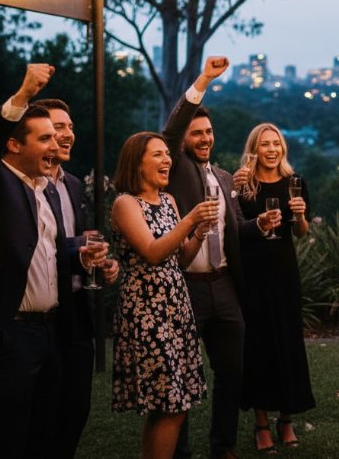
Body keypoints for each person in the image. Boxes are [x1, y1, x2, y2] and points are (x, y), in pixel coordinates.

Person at [0, 63, 106, 459]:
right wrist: (22, 96)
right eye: (44, 139)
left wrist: (82, 255)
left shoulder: (43, 188)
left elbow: (47, 254)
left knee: (44, 432)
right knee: (8, 438)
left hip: (49, 331)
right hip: (7, 333)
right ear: (14, 144)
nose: (54, 146)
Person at [163, 57, 277, 459]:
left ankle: (223, 445)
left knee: (232, 372)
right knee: (180, 375)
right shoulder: (176, 168)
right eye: (197, 133)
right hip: (187, 288)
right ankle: (180, 450)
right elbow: (174, 126)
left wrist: (258, 223)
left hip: (224, 286)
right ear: (183, 140)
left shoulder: (225, 178)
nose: (204, 138)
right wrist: (204, 81)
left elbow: (236, 231)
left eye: (209, 132)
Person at [110, 132, 217, 459]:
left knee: (175, 403)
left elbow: (181, 258)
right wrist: (191, 219)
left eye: (168, 155)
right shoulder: (125, 203)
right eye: (158, 155)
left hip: (175, 308)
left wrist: (198, 232)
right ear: (137, 163)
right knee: (169, 404)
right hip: (147, 312)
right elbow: (153, 252)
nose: (167, 160)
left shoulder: (168, 201)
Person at [36, 98, 119, 459]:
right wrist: (79, 250)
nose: (68, 134)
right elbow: (38, 246)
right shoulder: (28, 185)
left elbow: (78, 240)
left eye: (70, 127)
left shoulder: (71, 183)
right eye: (58, 128)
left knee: (76, 409)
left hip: (78, 312)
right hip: (45, 315)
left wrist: (102, 263)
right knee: (42, 414)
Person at [232, 124, 315, 454]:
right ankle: (262, 424)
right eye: (264, 144)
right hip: (253, 274)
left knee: (287, 342)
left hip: (284, 273)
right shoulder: (244, 185)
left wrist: (301, 216)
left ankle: (287, 419)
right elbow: (233, 229)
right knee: (258, 346)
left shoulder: (295, 183)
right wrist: (233, 190)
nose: (271, 149)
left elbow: (301, 234)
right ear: (254, 149)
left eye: (276, 143)